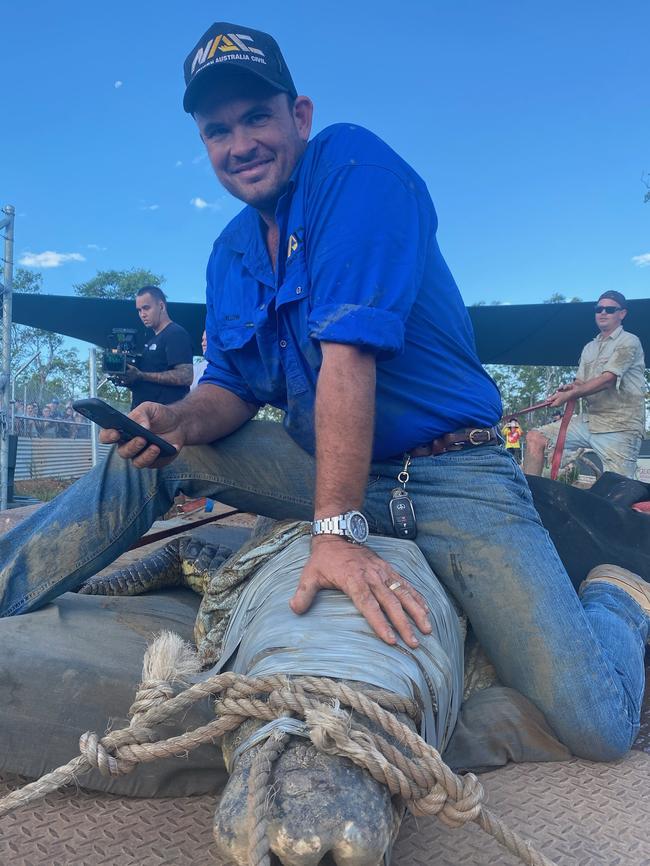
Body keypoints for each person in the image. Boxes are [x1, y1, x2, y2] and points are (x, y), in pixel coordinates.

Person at [0, 22, 647, 765]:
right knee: (152, 453)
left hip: (457, 477)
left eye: (256, 118)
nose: (239, 142)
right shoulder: (231, 254)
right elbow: (233, 393)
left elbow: (348, 357)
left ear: (298, 116)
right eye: (218, 130)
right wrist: (176, 417)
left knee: (597, 723)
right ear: (204, 146)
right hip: (330, 468)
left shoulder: (354, 169)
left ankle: (616, 600)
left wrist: (334, 536)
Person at [525, 291, 646, 479]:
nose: (603, 312)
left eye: (610, 309)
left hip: (620, 425)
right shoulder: (590, 347)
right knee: (535, 437)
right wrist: (570, 389)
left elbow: (608, 379)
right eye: (599, 309)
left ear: (622, 314)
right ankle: (529, 502)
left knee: (619, 492)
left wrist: (572, 394)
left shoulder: (629, 341)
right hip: (590, 421)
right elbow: (581, 382)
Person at [117, 286, 194, 410]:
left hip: (166, 418)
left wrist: (142, 375)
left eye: (146, 308)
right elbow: (148, 381)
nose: (142, 314)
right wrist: (130, 379)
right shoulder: (151, 340)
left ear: (161, 306)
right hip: (144, 417)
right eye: (139, 310)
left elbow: (186, 376)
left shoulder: (176, 333)